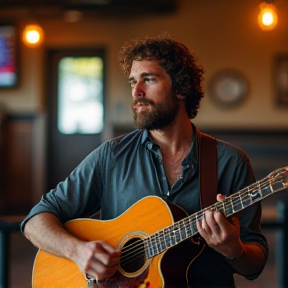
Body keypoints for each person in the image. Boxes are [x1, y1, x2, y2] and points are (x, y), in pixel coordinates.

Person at [21, 35, 268, 288]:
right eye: (133, 82)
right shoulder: (111, 156)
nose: (137, 92)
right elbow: (35, 220)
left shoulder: (230, 162)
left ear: (181, 88)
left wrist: (234, 249)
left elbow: (255, 264)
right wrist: (78, 252)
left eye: (148, 79)